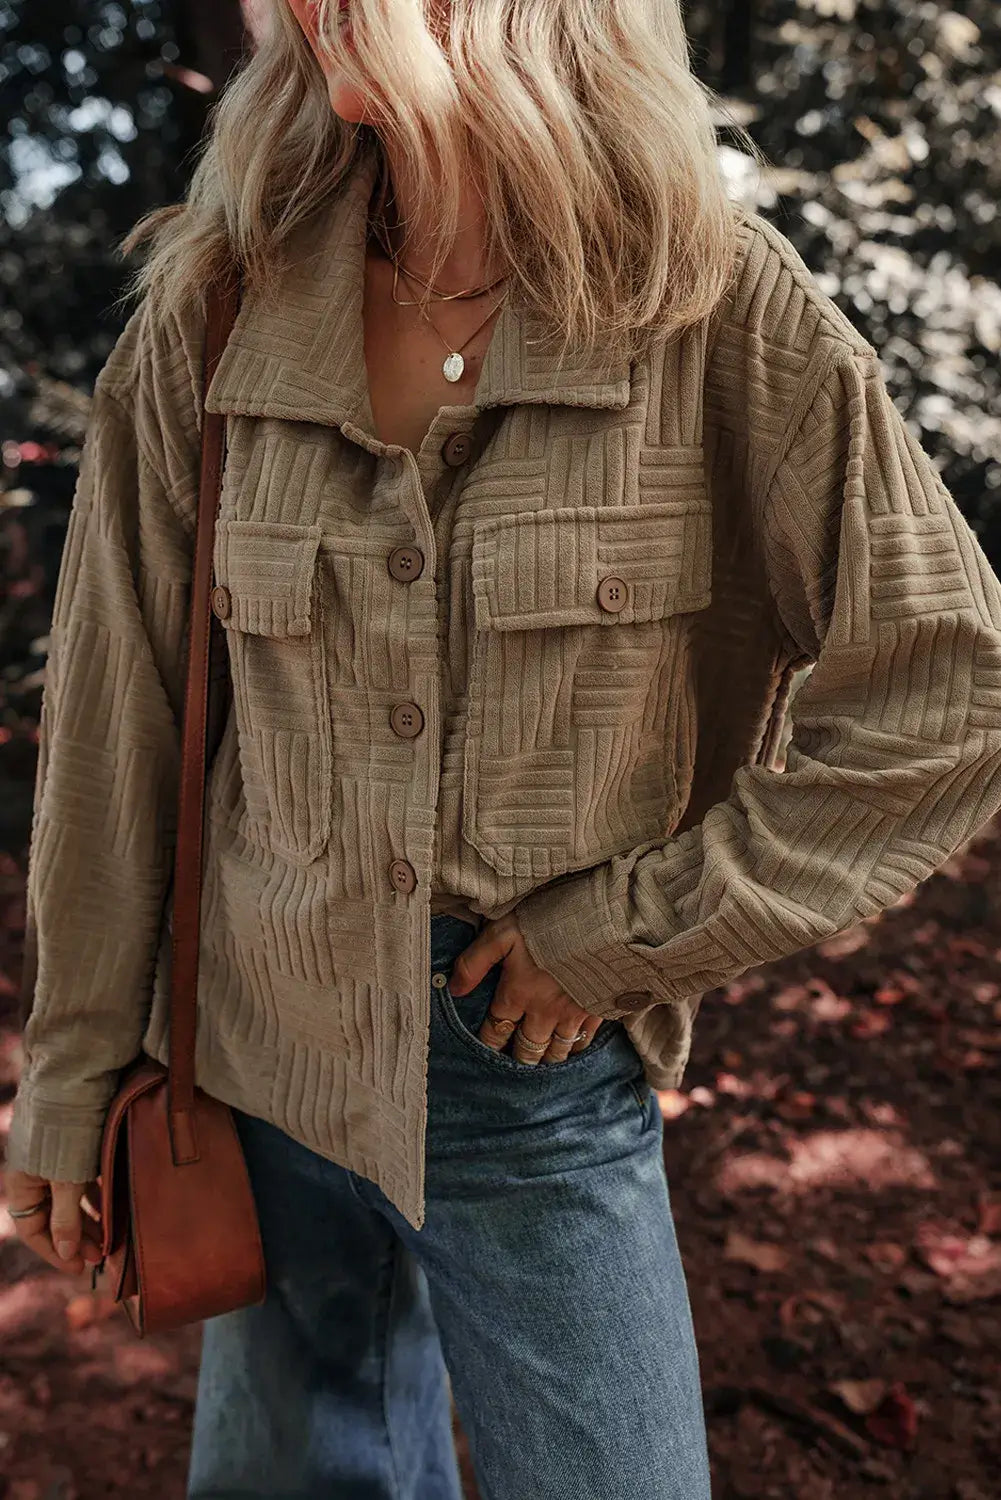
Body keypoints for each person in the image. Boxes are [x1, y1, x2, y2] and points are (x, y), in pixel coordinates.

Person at [6, 2, 1001, 1496]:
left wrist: (628, 934)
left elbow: (950, 686)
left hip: (524, 1071)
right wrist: (73, 1078)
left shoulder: (712, 307)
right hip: (257, 1057)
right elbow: (114, 728)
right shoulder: (215, 308)